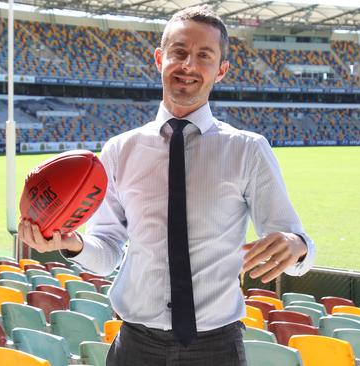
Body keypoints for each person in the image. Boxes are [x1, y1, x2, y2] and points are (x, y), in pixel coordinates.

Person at [18, 5, 315, 365]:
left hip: (216, 347)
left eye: (204, 55)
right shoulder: (119, 150)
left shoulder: (248, 150)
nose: (188, 64)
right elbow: (108, 250)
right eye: (179, 52)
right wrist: (74, 244)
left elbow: (293, 239)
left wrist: (295, 245)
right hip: (136, 343)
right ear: (160, 58)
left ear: (221, 70)